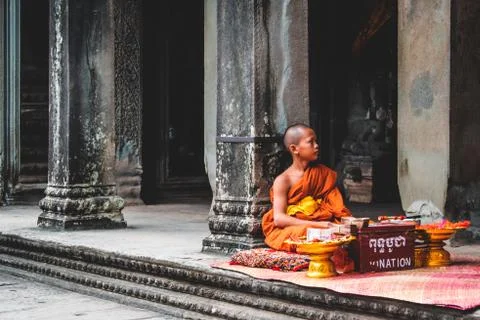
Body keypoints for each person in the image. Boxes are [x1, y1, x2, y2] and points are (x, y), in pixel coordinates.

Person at [262, 123, 352, 251]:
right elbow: (279, 219)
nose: (316, 146)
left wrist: (346, 222)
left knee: (351, 230)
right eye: (311, 142)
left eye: (316, 141)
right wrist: (321, 225)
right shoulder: (283, 180)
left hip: (325, 221)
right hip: (298, 227)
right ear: (294, 149)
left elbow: (336, 206)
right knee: (308, 232)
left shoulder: (322, 173)